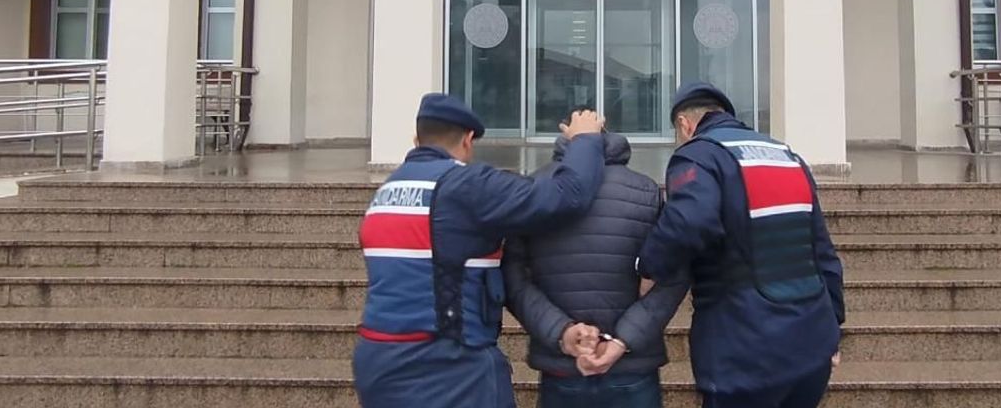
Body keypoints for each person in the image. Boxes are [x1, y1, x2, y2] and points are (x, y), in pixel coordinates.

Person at [352, 93, 607, 408]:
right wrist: (585, 140)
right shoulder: (466, 185)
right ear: (468, 139)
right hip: (447, 368)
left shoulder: (386, 192)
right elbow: (566, 196)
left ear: (417, 140)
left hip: (377, 363)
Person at [637, 82, 845, 408]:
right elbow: (823, 253)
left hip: (744, 354)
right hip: (811, 348)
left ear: (684, 124)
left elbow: (689, 221)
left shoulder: (698, 154)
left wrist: (648, 267)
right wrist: (832, 330)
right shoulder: (787, 156)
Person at [503, 118, 688, 408]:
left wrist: (561, 331)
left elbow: (514, 280)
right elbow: (672, 276)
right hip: (631, 366)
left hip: (562, 365)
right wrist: (622, 340)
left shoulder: (536, 189)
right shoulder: (647, 191)